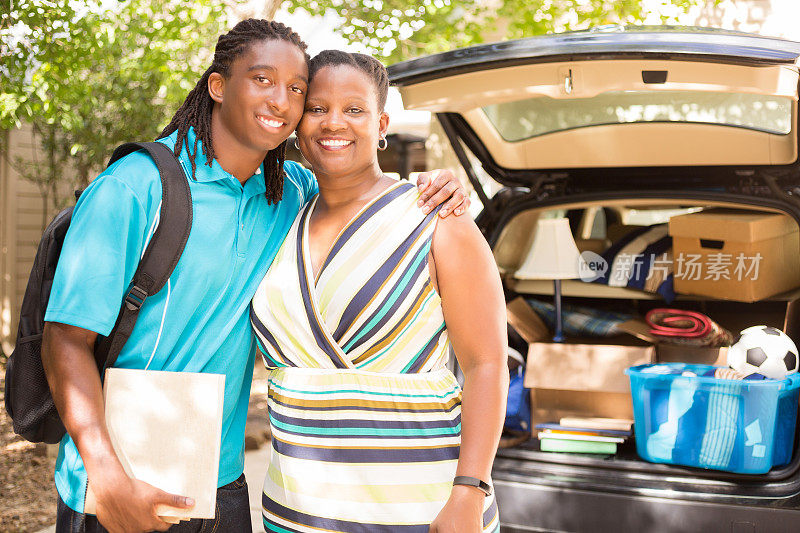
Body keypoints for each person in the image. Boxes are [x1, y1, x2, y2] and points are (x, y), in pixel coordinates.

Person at [42, 20, 468, 533]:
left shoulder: (294, 194)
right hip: (121, 480)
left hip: (224, 488)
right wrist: (106, 476)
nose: (281, 101)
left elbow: (360, 188)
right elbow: (63, 338)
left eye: (295, 89)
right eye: (262, 79)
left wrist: (435, 186)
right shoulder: (134, 188)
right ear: (218, 87)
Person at [250, 50, 508, 533]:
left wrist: (470, 490)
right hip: (297, 511)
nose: (333, 124)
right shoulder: (279, 217)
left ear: (382, 121)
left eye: (354, 109)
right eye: (317, 108)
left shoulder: (436, 217)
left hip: (422, 507)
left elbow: (487, 364)